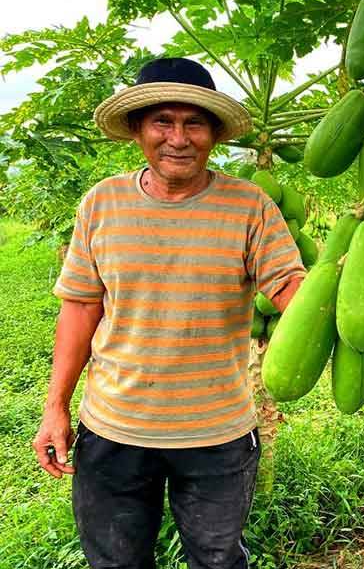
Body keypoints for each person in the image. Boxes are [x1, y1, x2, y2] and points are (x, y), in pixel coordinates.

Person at [31, 57, 306, 569]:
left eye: (194, 123)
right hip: (113, 429)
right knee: (115, 561)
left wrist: (357, 292)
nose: (178, 138)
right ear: (138, 129)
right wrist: (55, 407)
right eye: (163, 121)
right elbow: (81, 307)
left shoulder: (251, 207)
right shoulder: (101, 204)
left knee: (218, 559)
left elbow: (290, 287)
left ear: (215, 134)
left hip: (218, 435)